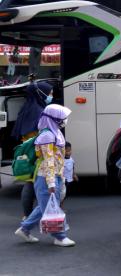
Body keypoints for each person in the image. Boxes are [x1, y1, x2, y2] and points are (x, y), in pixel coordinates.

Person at [14, 104, 76, 247]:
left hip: (54, 176)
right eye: (62, 117)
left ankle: (24, 229)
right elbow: (48, 160)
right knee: (51, 207)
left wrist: (60, 178)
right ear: (54, 118)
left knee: (45, 207)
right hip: (46, 177)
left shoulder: (55, 132)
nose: (65, 120)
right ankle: (60, 237)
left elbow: (57, 159)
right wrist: (52, 183)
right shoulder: (47, 135)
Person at [12, 80, 54, 219]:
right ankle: (29, 216)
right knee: (32, 183)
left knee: (31, 182)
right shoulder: (38, 111)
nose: (51, 96)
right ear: (41, 94)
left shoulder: (28, 108)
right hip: (35, 152)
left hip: (29, 149)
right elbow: (37, 134)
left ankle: (29, 214)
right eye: (49, 93)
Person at [60, 142, 79, 208]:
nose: (68, 152)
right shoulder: (61, 160)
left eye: (70, 150)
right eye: (67, 151)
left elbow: (72, 168)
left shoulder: (71, 160)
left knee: (65, 194)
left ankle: (61, 205)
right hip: (63, 180)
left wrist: (74, 175)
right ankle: (60, 207)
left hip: (69, 180)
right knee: (62, 194)